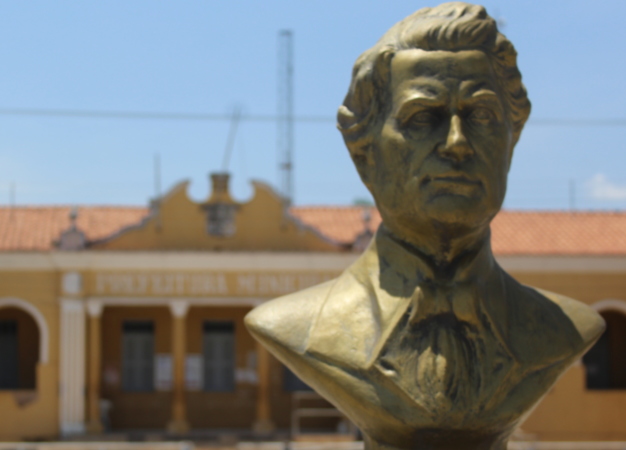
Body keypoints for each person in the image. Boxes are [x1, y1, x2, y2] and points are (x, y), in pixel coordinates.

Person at [245, 3, 604, 449]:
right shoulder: (299, 327)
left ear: (512, 142)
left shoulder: (563, 329)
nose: (457, 142)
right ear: (365, 155)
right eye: (423, 118)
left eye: (483, 115)